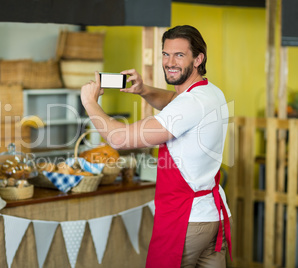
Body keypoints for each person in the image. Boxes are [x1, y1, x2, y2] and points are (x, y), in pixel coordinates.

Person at [80, 25, 232, 267]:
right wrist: (144, 90)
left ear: (198, 59)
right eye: (165, 54)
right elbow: (175, 100)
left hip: (185, 221)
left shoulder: (189, 104)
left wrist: (90, 103)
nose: (169, 62)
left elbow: (119, 139)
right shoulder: (211, 93)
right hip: (213, 217)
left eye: (179, 55)